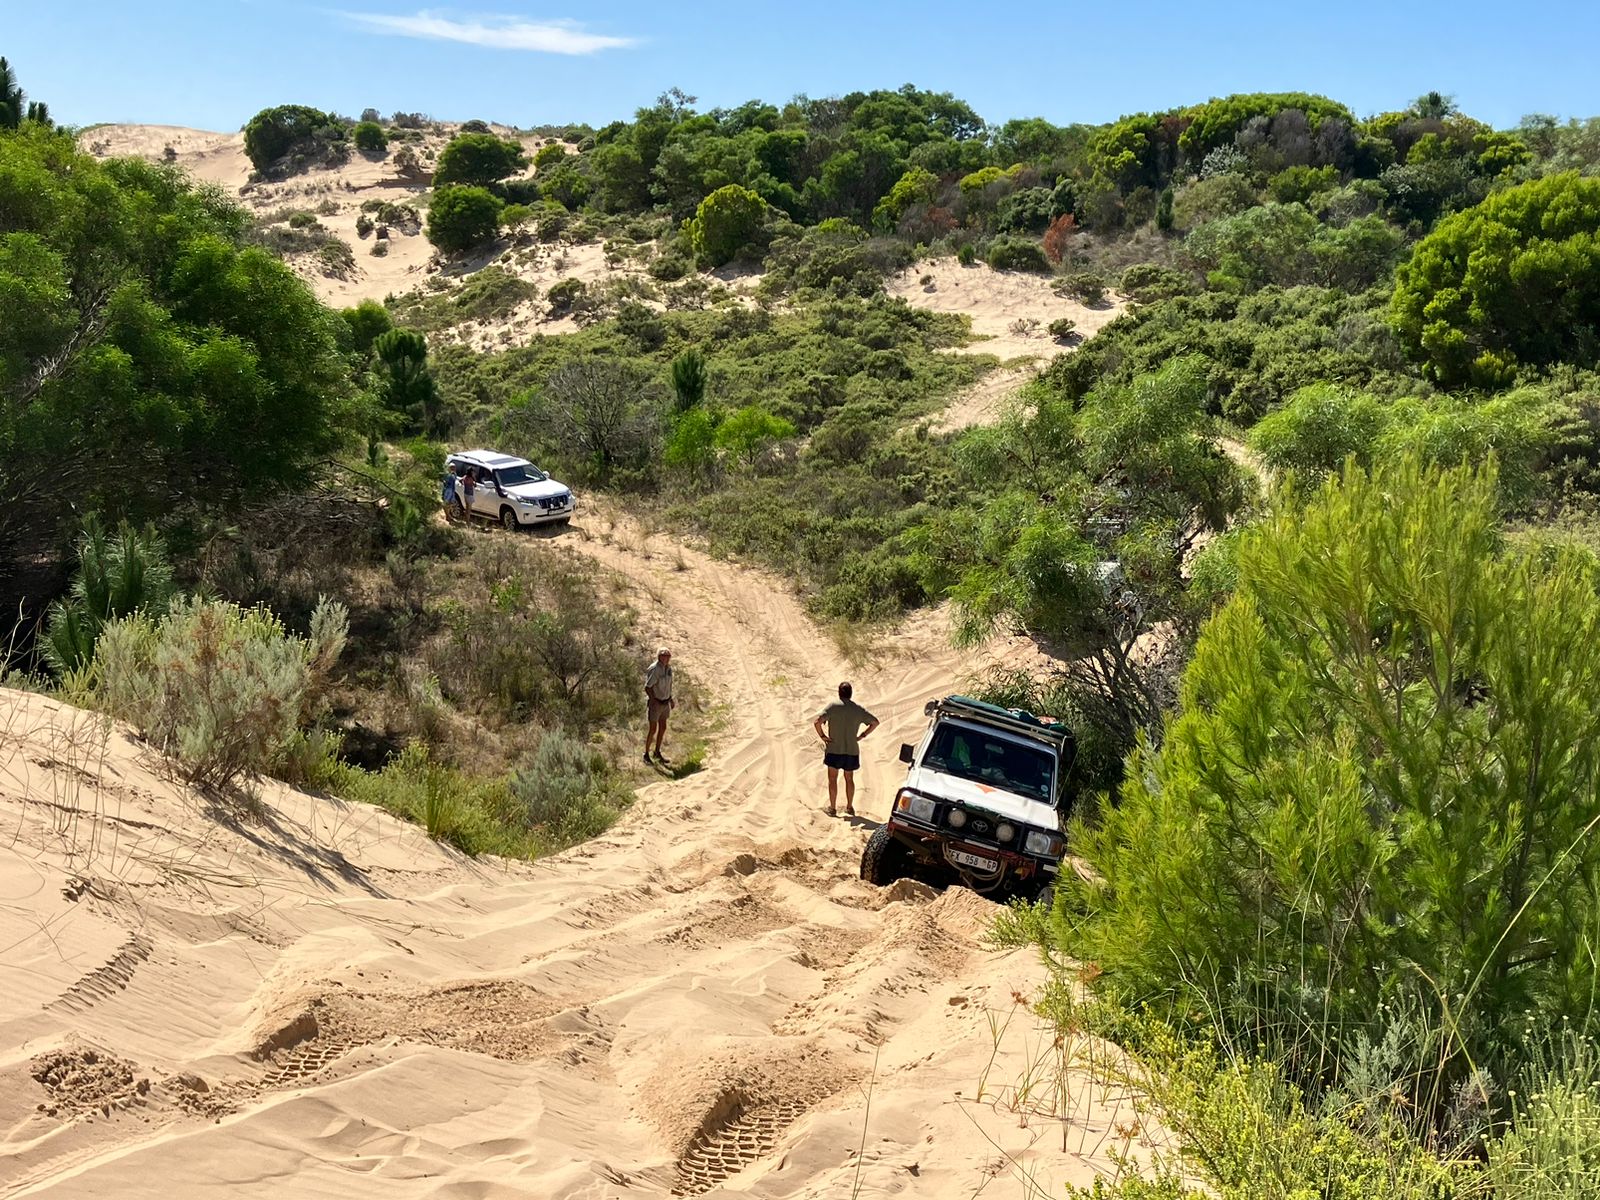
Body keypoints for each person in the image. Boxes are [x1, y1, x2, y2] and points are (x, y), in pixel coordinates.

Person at [812, 682, 879, 817]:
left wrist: (823, 736)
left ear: (839, 693)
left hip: (834, 749)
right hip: (851, 750)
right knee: (849, 779)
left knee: (832, 779)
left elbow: (817, 721)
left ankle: (832, 808)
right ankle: (849, 807)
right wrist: (863, 735)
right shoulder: (857, 709)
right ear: (851, 693)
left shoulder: (833, 706)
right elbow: (875, 722)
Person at [644, 647, 674, 763]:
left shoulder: (668, 669)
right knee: (653, 729)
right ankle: (646, 754)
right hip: (656, 703)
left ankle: (657, 752)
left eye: (667, 655)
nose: (665, 657)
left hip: (665, 703)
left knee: (663, 727)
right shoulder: (655, 669)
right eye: (663, 655)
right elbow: (648, 687)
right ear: (659, 656)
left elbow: (669, 685)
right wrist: (653, 700)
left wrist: (670, 699)